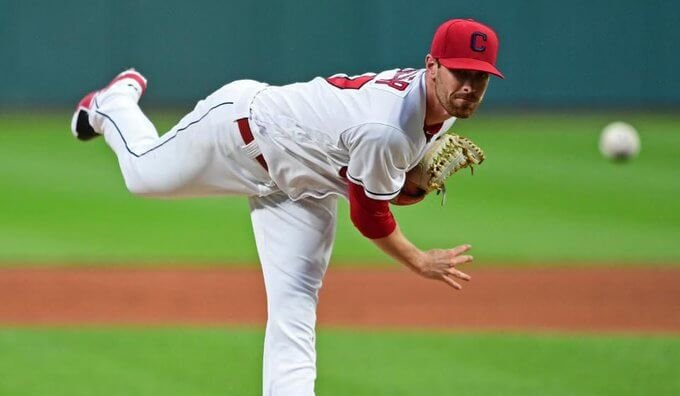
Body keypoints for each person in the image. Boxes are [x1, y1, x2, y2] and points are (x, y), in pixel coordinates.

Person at [70, 18, 503, 396]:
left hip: (301, 186)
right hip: (239, 133)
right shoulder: (386, 130)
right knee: (143, 176)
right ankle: (115, 104)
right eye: (459, 72)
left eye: (480, 77)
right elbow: (369, 214)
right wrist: (419, 259)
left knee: (295, 309)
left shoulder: (441, 106)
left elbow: (370, 179)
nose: (468, 86)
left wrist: (405, 180)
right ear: (432, 67)